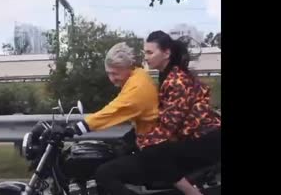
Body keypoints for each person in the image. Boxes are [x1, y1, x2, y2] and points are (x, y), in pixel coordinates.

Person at [76, 31, 221, 195]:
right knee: (151, 148)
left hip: (205, 139)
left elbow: (170, 125)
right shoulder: (165, 74)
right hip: (194, 136)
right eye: (145, 52)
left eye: (150, 52)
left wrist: (140, 141)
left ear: (166, 53)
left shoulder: (177, 80)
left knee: (153, 151)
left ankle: (193, 193)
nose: (146, 57)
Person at [65, 42, 160, 152]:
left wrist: (78, 128)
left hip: (151, 143)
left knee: (106, 169)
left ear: (127, 67)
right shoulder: (138, 75)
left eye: (115, 74)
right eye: (108, 73)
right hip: (144, 136)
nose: (111, 79)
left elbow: (113, 111)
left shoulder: (138, 87)